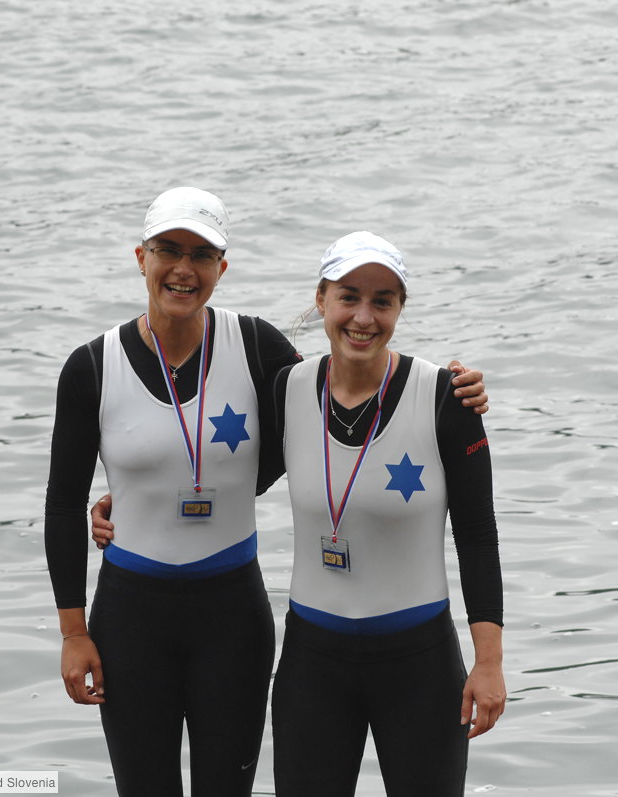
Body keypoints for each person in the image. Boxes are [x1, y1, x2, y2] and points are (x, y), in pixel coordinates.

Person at [44, 187, 488, 797]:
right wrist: (73, 632)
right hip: (129, 618)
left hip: (232, 617)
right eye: (167, 250)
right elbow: (63, 505)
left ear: (221, 269)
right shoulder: (90, 367)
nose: (183, 268)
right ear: (140, 257)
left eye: (202, 255)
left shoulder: (257, 347)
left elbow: (332, 414)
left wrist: (457, 393)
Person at [269, 231, 505, 796]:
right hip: (312, 662)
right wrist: (115, 504)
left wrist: (489, 662)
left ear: (400, 309)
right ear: (321, 299)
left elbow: (477, 534)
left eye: (383, 301)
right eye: (349, 296)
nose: (364, 317)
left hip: (419, 664)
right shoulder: (286, 388)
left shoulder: (448, 397)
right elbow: (229, 479)